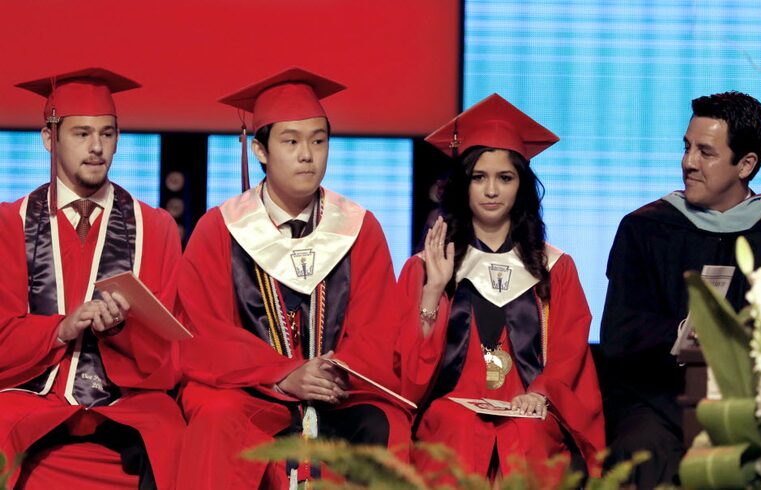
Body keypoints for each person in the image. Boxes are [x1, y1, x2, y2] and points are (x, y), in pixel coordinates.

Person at [175, 67, 411, 489]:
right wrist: (283, 373)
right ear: (261, 151)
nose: (308, 154)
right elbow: (202, 332)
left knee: (387, 423)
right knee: (216, 416)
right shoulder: (220, 228)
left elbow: (378, 328)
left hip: (339, 391)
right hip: (251, 392)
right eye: (291, 141)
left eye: (319, 141)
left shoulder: (359, 227)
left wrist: (331, 372)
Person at [599, 91, 761, 488]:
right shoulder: (645, 229)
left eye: (706, 152)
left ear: (745, 164)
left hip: (753, 404)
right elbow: (619, 336)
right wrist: (686, 336)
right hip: (658, 402)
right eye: (686, 147)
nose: (688, 163)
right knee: (643, 448)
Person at [397, 94, 605, 483]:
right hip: (450, 406)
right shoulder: (427, 265)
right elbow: (407, 374)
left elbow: (569, 352)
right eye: (480, 177)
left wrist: (539, 394)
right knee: (455, 426)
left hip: (530, 406)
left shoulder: (554, 267)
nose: (492, 191)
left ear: (520, 186)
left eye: (504, 178)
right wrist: (433, 291)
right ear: (464, 185)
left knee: (526, 431)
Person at [0, 68, 184, 489]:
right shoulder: (10, 225)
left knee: (172, 431)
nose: (97, 147)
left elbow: (171, 356)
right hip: (33, 395)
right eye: (82, 133)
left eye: (108, 134)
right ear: (50, 138)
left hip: (126, 401)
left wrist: (123, 329)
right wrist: (61, 328)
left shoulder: (153, 228)